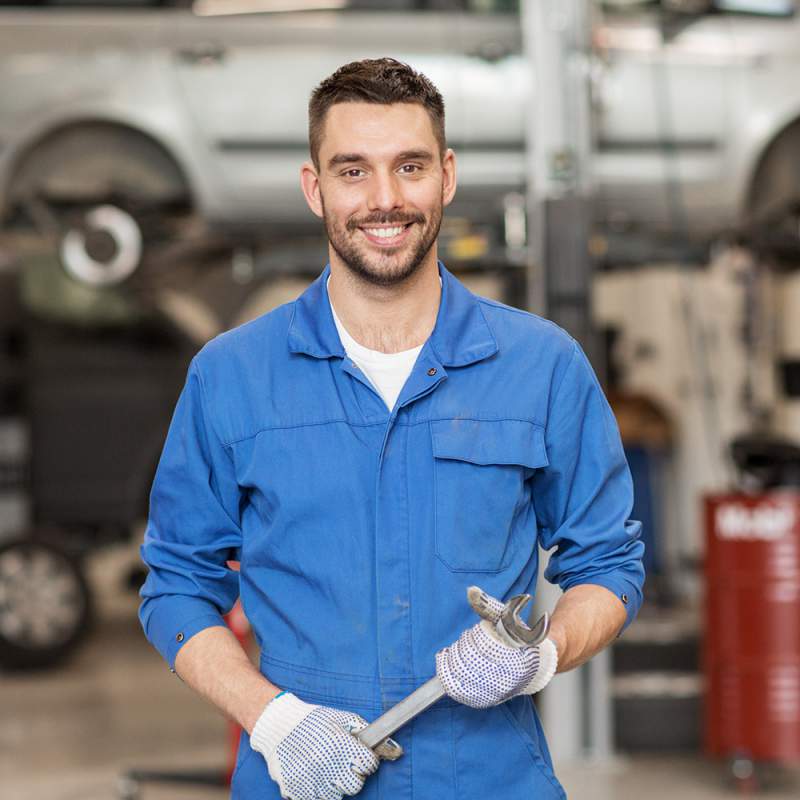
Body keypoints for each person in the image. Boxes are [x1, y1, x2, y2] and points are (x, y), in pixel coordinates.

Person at [139, 58, 645, 800]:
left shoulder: (542, 366)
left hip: (490, 780)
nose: (384, 199)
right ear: (315, 188)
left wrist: (541, 655)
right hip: (297, 781)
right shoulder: (232, 376)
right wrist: (272, 721)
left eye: (408, 167)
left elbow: (608, 563)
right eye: (352, 171)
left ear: (446, 175)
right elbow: (178, 584)